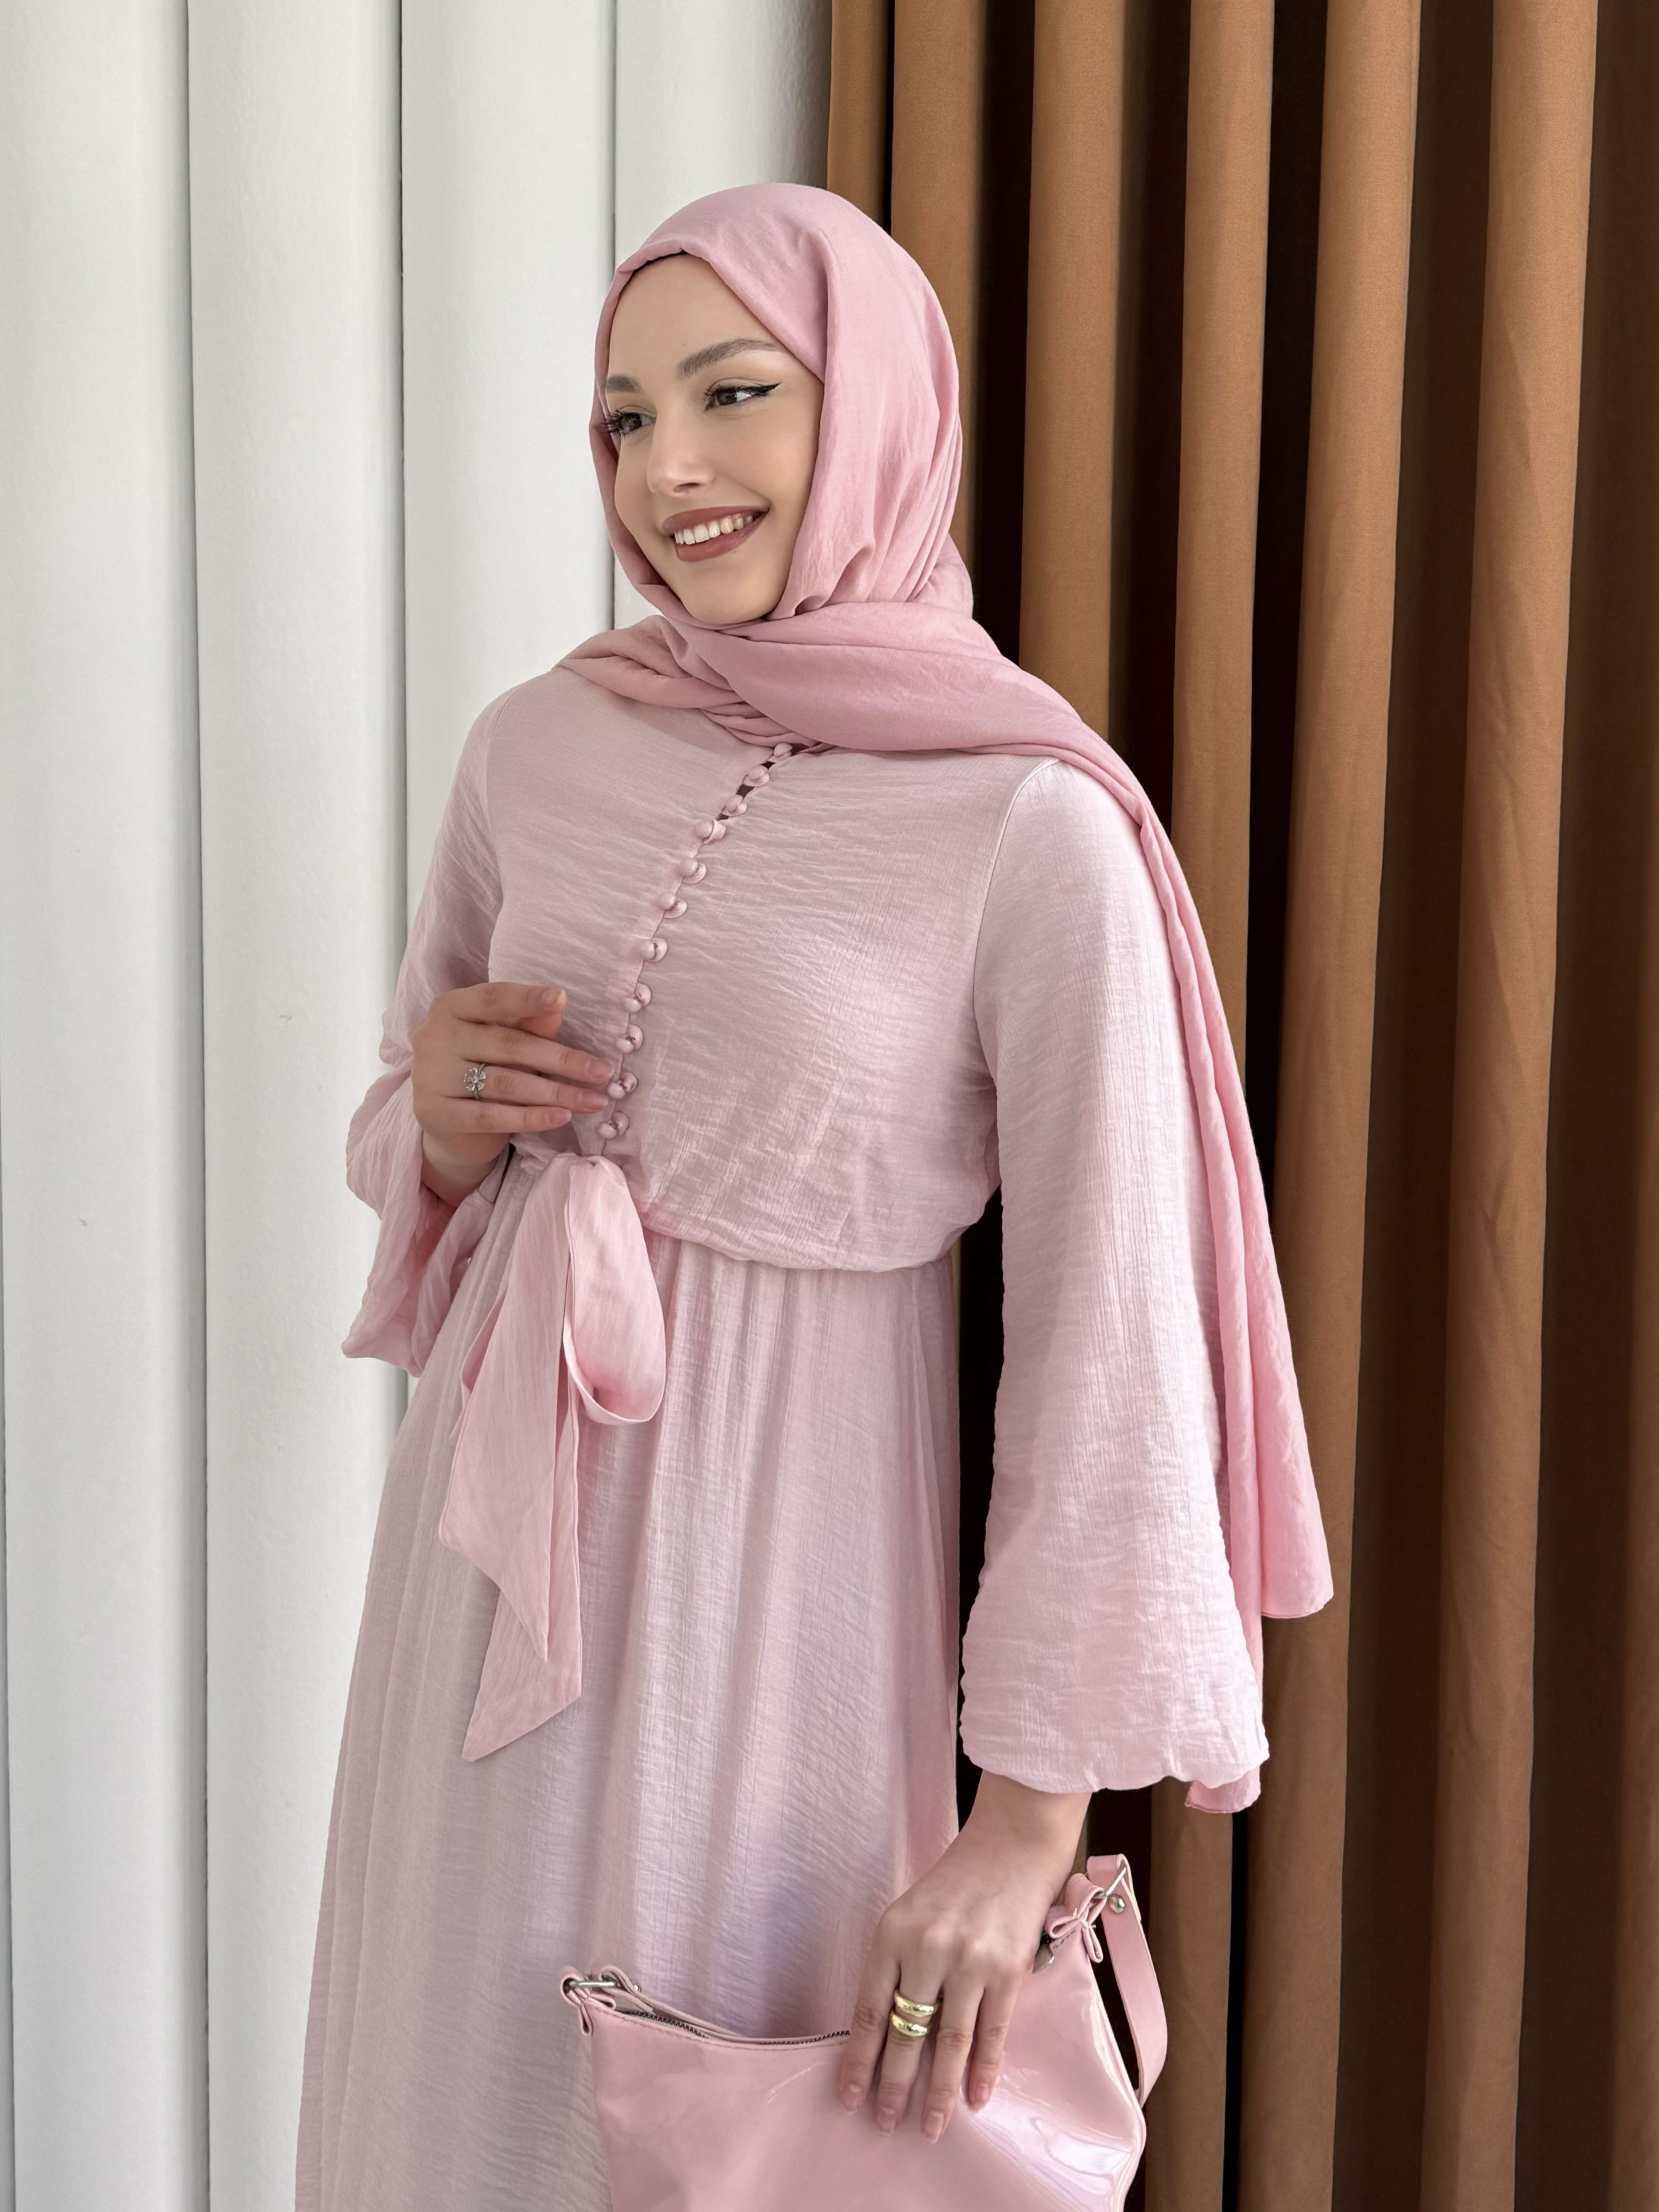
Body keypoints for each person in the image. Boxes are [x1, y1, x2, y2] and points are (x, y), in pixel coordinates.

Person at [295, 183, 1331, 2211]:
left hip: (781, 1592)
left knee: (728, 2120)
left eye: (732, 393)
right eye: (621, 418)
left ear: (870, 410)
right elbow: (402, 1134)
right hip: (482, 1576)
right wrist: (437, 1117)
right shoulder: (537, 744)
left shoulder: (1031, 821)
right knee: (449, 2101)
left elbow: (1112, 1345)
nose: (665, 468)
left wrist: (1022, 1825)